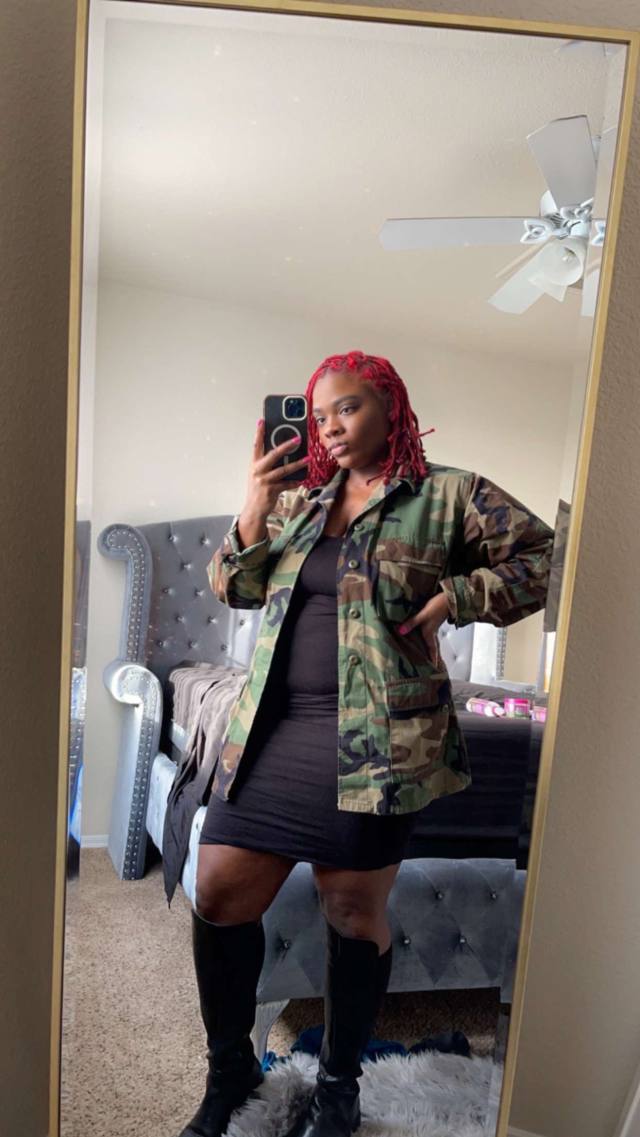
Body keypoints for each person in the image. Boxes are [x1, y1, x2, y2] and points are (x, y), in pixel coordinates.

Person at [178, 350, 554, 1137]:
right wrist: (254, 503)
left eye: (347, 407)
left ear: (390, 405)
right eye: (319, 416)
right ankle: (231, 1070)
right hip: (272, 731)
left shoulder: (448, 494)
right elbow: (232, 585)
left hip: (379, 741)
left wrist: (460, 594)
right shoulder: (299, 500)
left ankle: (339, 1085)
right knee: (216, 890)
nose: (330, 428)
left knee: (353, 909)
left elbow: (546, 557)